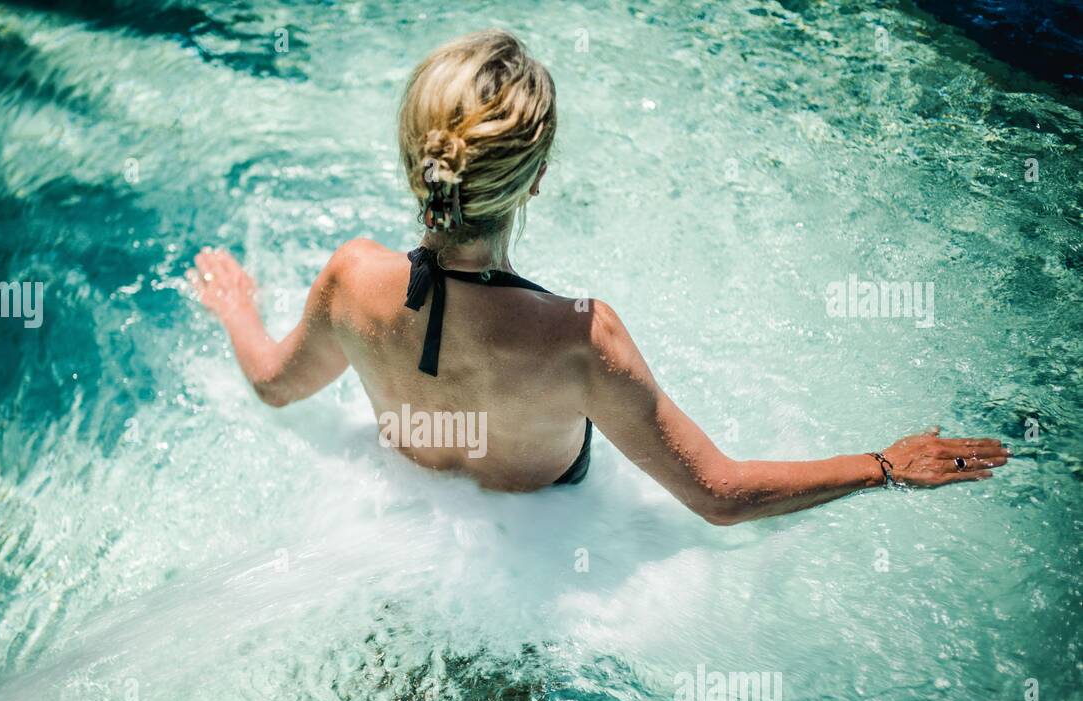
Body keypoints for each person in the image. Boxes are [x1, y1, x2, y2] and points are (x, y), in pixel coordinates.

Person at [188, 30, 1008, 523]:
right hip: (532, 562)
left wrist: (238, 309)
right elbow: (718, 496)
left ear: (416, 164)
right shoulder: (581, 338)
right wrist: (885, 463)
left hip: (408, 537)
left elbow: (272, 384)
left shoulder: (349, 280)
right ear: (534, 180)